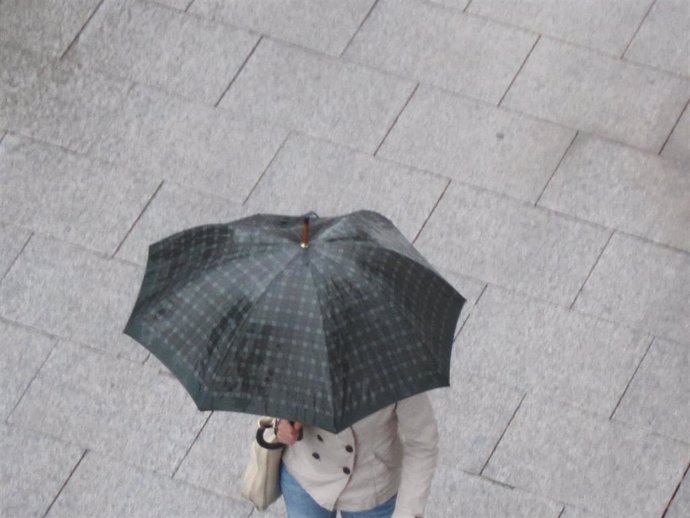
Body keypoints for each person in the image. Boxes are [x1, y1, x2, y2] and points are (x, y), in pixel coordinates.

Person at [273, 391, 439, 518]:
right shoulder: (302, 350)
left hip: (371, 489)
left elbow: (421, 444)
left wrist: (407, 512)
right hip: (307, 475)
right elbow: (272, 389)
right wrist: (280, 422)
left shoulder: (395, 361)